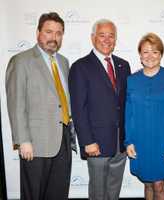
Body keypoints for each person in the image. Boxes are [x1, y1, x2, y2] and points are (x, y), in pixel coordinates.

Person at [6, 12, 73, 200]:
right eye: (49, 32)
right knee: (33, 194)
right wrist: (23, 140)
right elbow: (16, 102)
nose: (54, 37)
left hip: (63, 140)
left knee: (58, 193)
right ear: (38, 33)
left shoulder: (64, 62)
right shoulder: (21, 61)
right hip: (35, 144)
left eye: (59, 33)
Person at [68, 19, 131, 200]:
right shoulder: (80, 67)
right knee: (98, 193)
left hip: (120, 143)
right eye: (102, 35)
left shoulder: (123, 65)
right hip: (96, 143)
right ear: (93, 38)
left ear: (115, 39)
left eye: (111, 36)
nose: (107, 39)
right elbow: (78, 108)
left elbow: (125, 103)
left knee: (114, 191)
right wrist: (87, 141)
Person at [125, 33, 164, 200]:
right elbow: (128, 113)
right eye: (145, 52)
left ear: (161, 54)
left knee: (159, 185)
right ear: (140, 55)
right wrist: (128, 141)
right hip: (140, 141)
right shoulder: (132, 80)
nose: (150, 56)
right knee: (148, 183)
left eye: (155, 52)